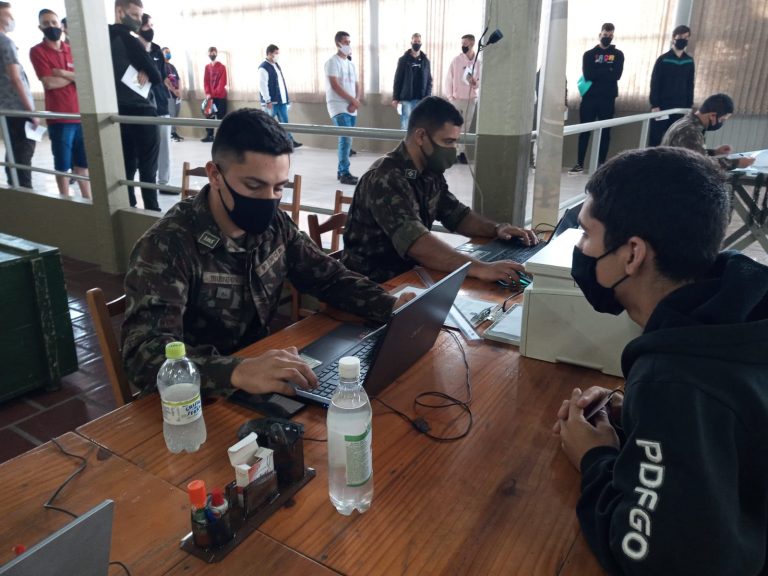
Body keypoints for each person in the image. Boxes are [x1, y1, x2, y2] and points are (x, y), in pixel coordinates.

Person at [554, 146, 768, 574]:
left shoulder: (673, 382)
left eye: (587, 234)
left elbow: (648, 557)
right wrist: (642, 420)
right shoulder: (741, 313)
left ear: (632, 253)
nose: (580, 247)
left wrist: (594, 457)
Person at [122, 108, 412, 395]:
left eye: (278, 188)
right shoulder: (167, 245)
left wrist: (391, 305)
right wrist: (235, 371)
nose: (268, 200)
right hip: (194, 399)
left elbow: (328, 278)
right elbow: (143, 356)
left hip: (259, 378)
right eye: (254, 186)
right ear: (215, 175)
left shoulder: (275, 226)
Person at [342, 96, 538, 284]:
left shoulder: (428, 171)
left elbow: (457, 215)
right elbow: (417, 244)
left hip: (409, 276)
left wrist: (497, 229)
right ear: (421, 136)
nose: (453, 149)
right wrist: (481, 268)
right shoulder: (385, 177)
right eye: (448, 142)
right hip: (373, 285)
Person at [29, 9, 90, 199]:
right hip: (59, 118)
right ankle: (66, 200)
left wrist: (63, 73)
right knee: (63, 165)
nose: (51, 26)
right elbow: (49, 82)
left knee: (83, 164)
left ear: (61, 26)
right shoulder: (37, 51)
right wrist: (74, 77)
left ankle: (88, 200)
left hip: (81, 116)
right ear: (40, 27)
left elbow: (85, 78)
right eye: (46, 23)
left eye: (54, 23)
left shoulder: (72, 50)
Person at [109, 0, 162, 211]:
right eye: (135, 15)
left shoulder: (102, 38)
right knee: (148, 168)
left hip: (119, 110)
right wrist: (147, 70)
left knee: (127, 166)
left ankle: (128, 208)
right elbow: (156, 76)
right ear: (119, 11)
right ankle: (152, 211)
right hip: (142, 111)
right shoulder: (127, 39)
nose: (138, 21)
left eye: (141, 16)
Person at [569, 23, 624, 174]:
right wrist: (607, 70)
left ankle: (601, 165)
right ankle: (579, 164)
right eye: (605, 35)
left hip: (608, 98)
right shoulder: (588, 54)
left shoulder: (618, 54)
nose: (607, 37)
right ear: (600, 35)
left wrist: (598, 71)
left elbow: (617, 75)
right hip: (589, 98)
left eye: (610, 35)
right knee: (584, 131)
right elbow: (588, 75)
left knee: (605, 132)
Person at [661, 93, 754, 171]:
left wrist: (715, 152)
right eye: (722, 119)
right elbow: (702, 164)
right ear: (712, 116)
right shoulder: (691, 131)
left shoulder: (685, 122)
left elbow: (690, 153)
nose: (721, 123)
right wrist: (736, 163)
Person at [0, 1, 38, 189]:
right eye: (9, 14)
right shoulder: (6, 43)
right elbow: (15, 79)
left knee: (13, 153)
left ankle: (15, 190)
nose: (12, 19)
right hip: (18, 109)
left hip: (6, 109)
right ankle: (24, 194)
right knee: (23, 154)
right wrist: (31, 112)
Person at [139, 14, 174, 195]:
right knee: (147, 148)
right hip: (143, 106)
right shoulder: (132, 50)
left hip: (160, 103)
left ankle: (163, 183)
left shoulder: (157, 50)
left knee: (165, 146)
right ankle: (149, 183)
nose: (150, 29)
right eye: (147, 26)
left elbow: (162, 76)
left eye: (152, 25)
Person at [648, 25, 695, 146]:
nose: (683, 40)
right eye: (680, 37)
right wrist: (655, 104)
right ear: (674, 38)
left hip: (681, 106)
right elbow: (655, 82)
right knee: (656, 139)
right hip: (662, 106)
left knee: (676, 139)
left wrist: (689, 106)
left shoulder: (689, 61)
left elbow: (690, 84)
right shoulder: (663, 59)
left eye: (686, 37)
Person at [324, 30, 360, 185]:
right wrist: (352, 100)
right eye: (345, 42)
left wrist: (356, 101)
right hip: (338, 106)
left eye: (349, 42)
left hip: (352, 106)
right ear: (338, 43)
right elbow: (335, 85)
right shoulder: (332, 62)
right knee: (345, 139)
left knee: (348, 139)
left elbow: (357, 85)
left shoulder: (350, 64)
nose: (348, 45)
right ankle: (344, 173)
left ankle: (341, 171)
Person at [444, 34, 480, 165]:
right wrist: (450, 96)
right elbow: (448, 79)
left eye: (465, 43)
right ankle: (453, 152)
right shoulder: (456, 61)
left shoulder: (478, 62)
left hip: (470, 99)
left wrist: (475, 83)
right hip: (457, 99)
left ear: (472, 44)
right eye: (462, 43)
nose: (463, 46)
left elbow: (480, 82)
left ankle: (462, 152)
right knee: (455, 126)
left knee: (466, 127)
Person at [258, 44, 302, 148]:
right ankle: (263, 143)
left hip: (281, 101)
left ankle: (290, 142)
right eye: (276, 53)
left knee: (285, 123)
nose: (278, 55)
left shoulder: (276, 65)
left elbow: (281, 84)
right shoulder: (263, 67)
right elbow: (262, 85)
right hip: (271, 102)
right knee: (267, 123)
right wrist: (267, 100)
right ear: (269, 54)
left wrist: (286, 99)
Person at [392, 33, 432, 131]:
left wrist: (427, 96)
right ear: (411, 42)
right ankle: (405, 141)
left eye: (418, 42)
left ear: (421, 43)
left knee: (419, 125)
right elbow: (398, 79)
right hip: (406, 98)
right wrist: (395, 98)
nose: (416, 43)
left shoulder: (425, 61)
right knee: (406, 124)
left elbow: (429, 81)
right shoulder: (403, 60)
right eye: (415, 42)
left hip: (421, 98)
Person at [202, 46, 227, 142]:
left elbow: (222, 82)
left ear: (216, 54)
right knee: (209, 116)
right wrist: (208, 93)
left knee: (221, 116)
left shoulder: (222, 67)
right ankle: (210, 135)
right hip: (210, 97)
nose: (212, 55)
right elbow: (206, 81)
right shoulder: (207, 67)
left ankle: (222, 138)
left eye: (213, 53)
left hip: (220, 96)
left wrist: (214, 93)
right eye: (210, 53)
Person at [162, 46, 183, 142]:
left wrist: (179, 91)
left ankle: (174, 132)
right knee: (171, 113)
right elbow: (165, 81)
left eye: (169, 52)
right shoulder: (162, 66)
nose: (168, 54)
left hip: (177, 94)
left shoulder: (172, 66)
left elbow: (178, 79)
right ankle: (171, 134)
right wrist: (173, 90)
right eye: (166, 52)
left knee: (176, 113)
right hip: (168, 93)